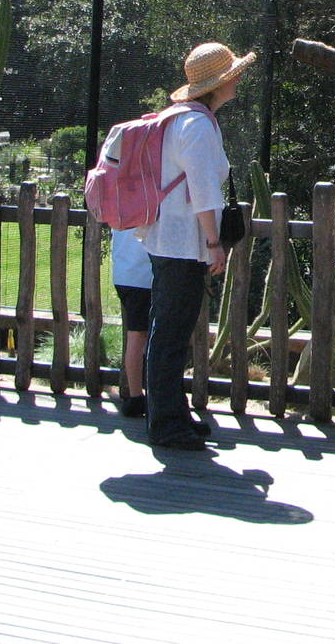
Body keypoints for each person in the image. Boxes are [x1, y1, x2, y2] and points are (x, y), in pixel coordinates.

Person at [136, 41, 254, 450]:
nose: (238, 79)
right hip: (183, 243)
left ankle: (172, 414)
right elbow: (203, 191)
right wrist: (213, 243)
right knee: (171, 335)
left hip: (167, 239)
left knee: (169, 330)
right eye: (233, 74)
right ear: (218, 84)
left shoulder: (178, 119)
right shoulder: (198, 126)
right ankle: (166, 425)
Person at [110, 227, 151, 417]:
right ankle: (137, 396)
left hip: (124, 270)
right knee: (139, 335)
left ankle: (137, 396)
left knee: (137, 334)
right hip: (143, 273)